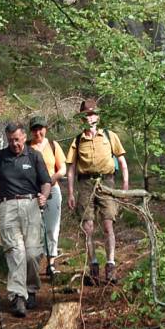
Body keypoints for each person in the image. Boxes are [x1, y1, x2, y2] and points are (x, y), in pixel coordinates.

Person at [0, 123, 51, 317]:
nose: (14, 143)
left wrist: (44, 196)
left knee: (31, 253)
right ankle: (17, 296)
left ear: (24, 137)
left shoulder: (34, 156)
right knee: (16, 252)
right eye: (10, 140)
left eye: (17, 139)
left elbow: (45, 181)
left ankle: (31, 289)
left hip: (31, 205)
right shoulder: (0, 157)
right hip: (8, 206)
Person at [66, 99, 128, 285]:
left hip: (107, 182)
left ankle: (110, 265)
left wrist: (125, 185)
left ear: (98, 116)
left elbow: (122, 161)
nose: (89, 117)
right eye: (86, 115)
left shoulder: (110, 136)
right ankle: (93, 266)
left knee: (109, 225)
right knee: (88, 228)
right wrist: (70, 192)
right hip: (85, 185)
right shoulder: (77, 140)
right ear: (82, 118)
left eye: (92, 114)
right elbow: (71, 169)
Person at [28, 115, 67, 277]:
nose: (38, 132)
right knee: (34, 229)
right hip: (31, 193)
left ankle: (51, 263)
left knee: (52, 228)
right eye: (35, 129)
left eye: (40, 128)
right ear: (31, 131)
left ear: (45, 129)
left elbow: (63, 168)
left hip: (53, 190)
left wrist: (50, 181)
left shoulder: (53, 145)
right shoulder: (26, 148)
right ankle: (33, 263)